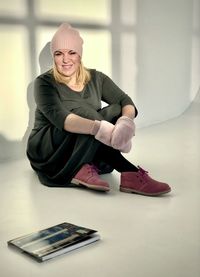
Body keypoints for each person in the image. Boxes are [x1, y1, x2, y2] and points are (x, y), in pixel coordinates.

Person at [26, 23, 171, 196]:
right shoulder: (44, 83)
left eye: (72, 52)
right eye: (59, 54)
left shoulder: (96, 78)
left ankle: (83, 167)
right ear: (53, 56)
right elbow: (63, 119)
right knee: (81, 112)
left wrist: (125, 123)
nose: (65, 60)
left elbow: (125, 101)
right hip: (51, 150)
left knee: (116, 110)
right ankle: (128, 171)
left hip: (82, 145)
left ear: (80, 54)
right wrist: (102, 129)